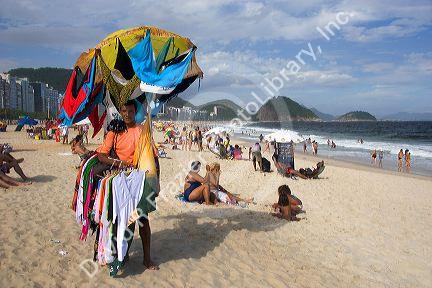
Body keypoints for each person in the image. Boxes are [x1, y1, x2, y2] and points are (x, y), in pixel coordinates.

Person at [96, 100, 159, 270]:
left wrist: (156, 183)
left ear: (134, 111)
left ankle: (147, 258)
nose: (127, 114)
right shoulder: (114, 131)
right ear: (120, 112)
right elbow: (101, 155)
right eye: (123, 111)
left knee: (143, 219)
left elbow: (153, 157)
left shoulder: (141, 131)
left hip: (140, 180)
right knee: (118, 218)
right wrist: (120, 164)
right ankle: (120, 255)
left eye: (130, 111)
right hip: (119, 180)